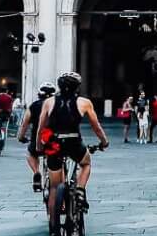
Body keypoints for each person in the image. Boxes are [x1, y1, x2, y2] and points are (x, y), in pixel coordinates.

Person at [36, 72, 109, 222]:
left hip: (54, 144)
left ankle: (54, 224)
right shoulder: (84, 102)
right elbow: (96, 127)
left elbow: (41, 128)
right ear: (77, 87)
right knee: (86, 163)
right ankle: (80, 190)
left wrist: (39, 146)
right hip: (74, 142)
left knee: (55, 187)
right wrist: (104, 141)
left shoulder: (49, 102)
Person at [19, 81, 57, 192]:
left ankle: (36, 172)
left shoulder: (34, 106)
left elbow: (24, 124)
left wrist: (21, 137)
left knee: (31, 154)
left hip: (38, 140)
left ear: (39, 94)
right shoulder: (58, 105)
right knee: (56, 156)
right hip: (54, 140)